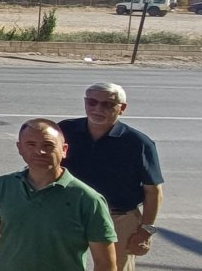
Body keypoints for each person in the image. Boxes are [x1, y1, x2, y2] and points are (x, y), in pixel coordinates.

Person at [0, 118, 116, 271]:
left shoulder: (88, 199)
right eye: (31, 145)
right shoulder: (2, 186)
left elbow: (105, 263)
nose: (39, 152)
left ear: (64, 150)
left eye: (48, 145)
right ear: (20, 148)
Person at [60, 83, 164, 270]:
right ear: (85, 103)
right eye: (92, 102)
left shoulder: (138, 143)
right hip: (68, 213)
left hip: (119, 218)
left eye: (107, 104)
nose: (98, 109)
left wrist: (145, 231)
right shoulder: (65, 131)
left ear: (122, 108)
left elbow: (153, 191)